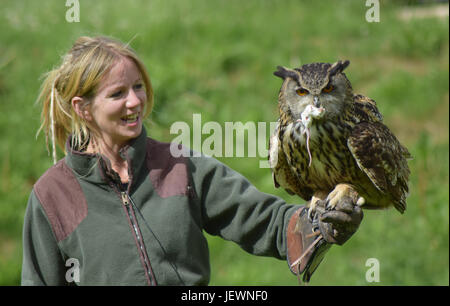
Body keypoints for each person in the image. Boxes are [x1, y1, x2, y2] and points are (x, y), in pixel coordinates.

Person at [21, 36, 363, 286]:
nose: (134, 101)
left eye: (138, 87)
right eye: (117, 94)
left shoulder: (178, 166)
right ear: (82, 108)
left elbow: (266, 221)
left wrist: (320, 223)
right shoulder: (52, 197)